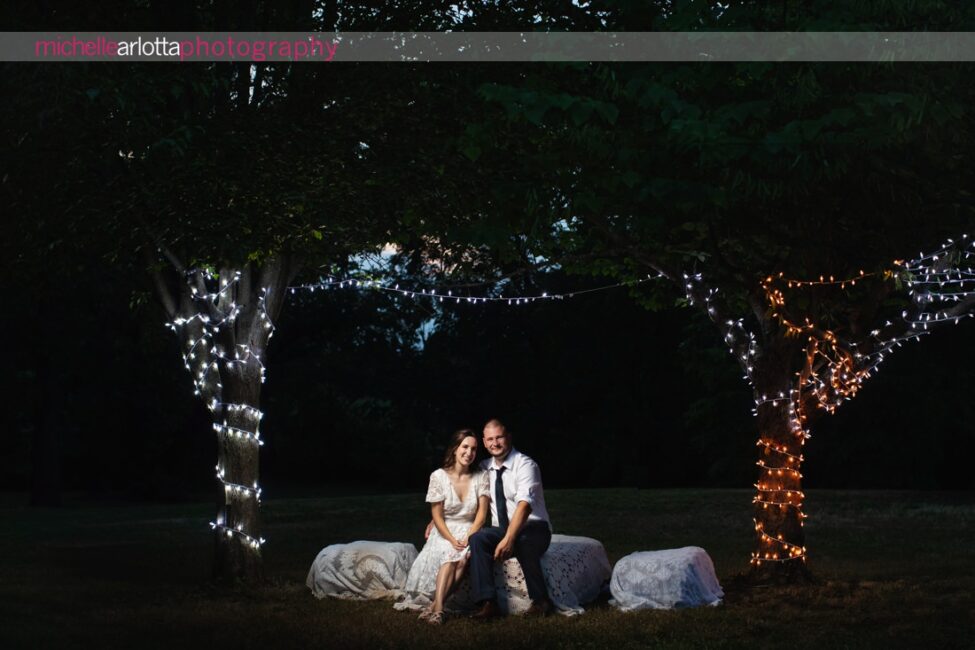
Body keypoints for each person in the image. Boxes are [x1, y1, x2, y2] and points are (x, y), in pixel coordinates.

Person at [395, 429, 490, 624]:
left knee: (463, 560)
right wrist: (451, 539)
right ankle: (439, 609)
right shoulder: (438, 476)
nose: (469, 452)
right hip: (445, 530)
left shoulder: (481, 476)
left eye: (473, 449)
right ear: (455, 449)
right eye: (465, 447)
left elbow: (481, 515)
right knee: (450, 554)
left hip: (470, 529)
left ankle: (434, 607)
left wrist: (468, 536)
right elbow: (437, 515)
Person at [467, 419, 554, 618]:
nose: (494, 443)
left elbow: (524, 506)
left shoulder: (525, 465)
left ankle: (541, 602)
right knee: (478, 539)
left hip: (534, 527)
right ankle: (488, 604)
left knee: (523, 540)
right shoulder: (483, 467)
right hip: (502, 528)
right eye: (490, 439)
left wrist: (508, 539)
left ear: (508, 437)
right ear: (484, 441)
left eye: (499, 437)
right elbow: (466, 495)